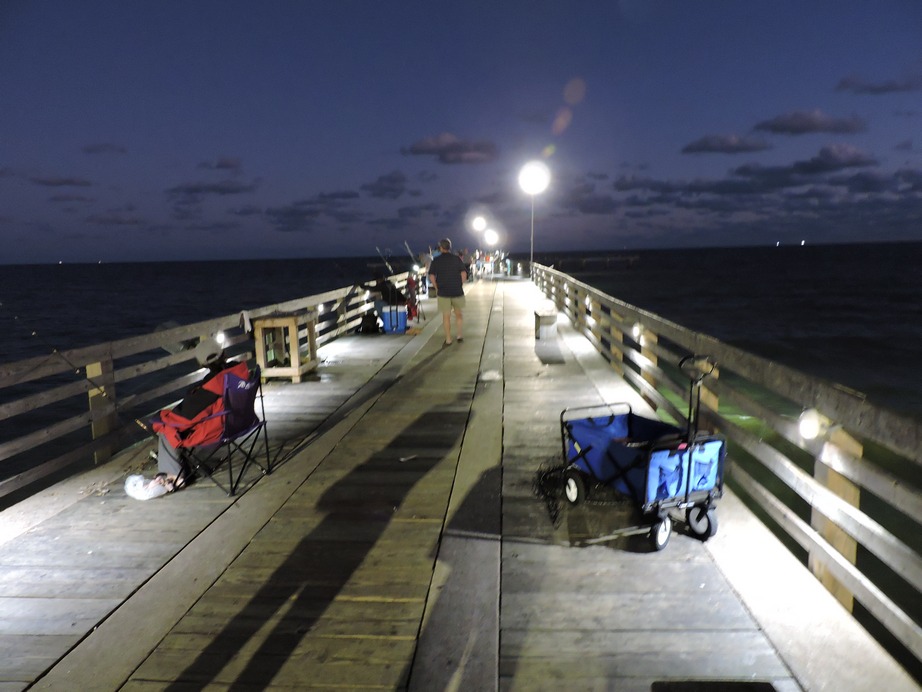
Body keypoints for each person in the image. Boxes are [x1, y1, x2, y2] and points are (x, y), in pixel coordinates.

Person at [142, 338, 249, 495]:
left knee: (166, 429)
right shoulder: (240, 370)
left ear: (202, 364)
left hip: (220, 430)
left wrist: (157, 419)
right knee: (171, 426)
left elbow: (185, 417)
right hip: (242, 421)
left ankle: (173, 477)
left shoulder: (212, 386)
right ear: (224, 354)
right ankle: (187, 466)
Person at [428, 237, 468, 347]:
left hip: (443, 292)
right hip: (457, 291)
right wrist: (460, 284)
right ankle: (459, 335)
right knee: (458, 314)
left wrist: (436, 287)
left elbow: (431, 275)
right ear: (449, 247)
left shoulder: (436, 260)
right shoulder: (456, 259)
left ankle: (448, 339)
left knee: (446, 316)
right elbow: (464, 273)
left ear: (441, 247)